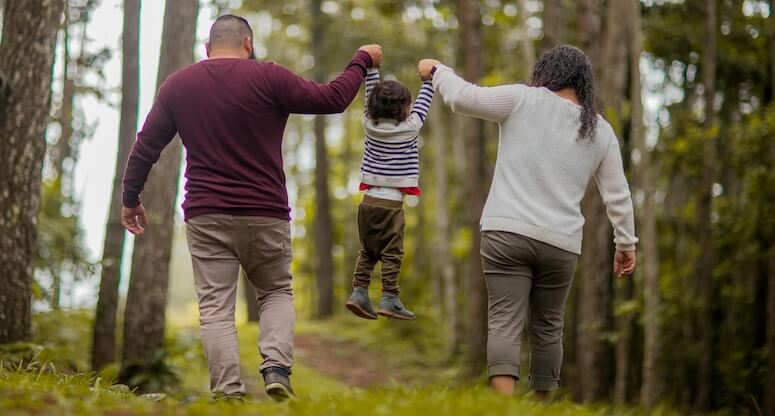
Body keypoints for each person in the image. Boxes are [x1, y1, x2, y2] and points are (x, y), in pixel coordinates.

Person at [120, 14, 383, 401]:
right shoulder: (268, 76)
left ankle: (228, 393)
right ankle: (276, 368)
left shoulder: (179, 85)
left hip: (206, 214)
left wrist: (131, 199)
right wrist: (361, 59)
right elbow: (332, 99)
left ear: (207, 49)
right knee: (276, 290)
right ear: (248, 43)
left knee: (215, 309)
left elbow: (146, 147)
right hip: (266, 212)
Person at [417, 45, 638, 400]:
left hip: (506, 233)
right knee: (549, 328)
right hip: (561, 244)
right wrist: (626, 244)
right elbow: (618, 193)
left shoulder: (522, 99)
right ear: (583, 83)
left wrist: (437, 70)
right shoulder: (601, 131)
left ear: (546, 73)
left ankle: (505, 406)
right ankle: (541, 407)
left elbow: (462, 98)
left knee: (505, 320)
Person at [344, 65, 434, 321]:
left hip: (368, 203)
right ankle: (389, 298)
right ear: (405, 109)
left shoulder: (368, 125)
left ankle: (359, 291)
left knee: (367, 251)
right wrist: (429, 80)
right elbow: (424, 103)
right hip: (391, 207)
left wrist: (372, 69)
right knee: (392, 253)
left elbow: (370, 92)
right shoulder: (411, 127)